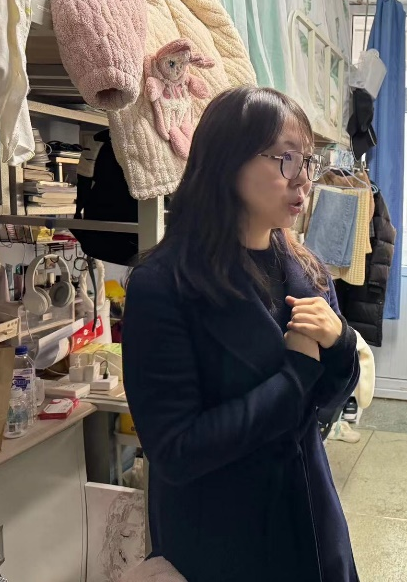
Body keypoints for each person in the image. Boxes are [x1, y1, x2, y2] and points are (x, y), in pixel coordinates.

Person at [122, 86, 360, 581]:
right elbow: (176, 451)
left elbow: (328, 406)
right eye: (286, 159)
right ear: (228, 161)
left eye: (307, 161)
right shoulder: (163, 285)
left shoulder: (307, 270)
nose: (304, 179)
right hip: (222, 538)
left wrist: (340, 345)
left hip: (310, 520)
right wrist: (295, 376)